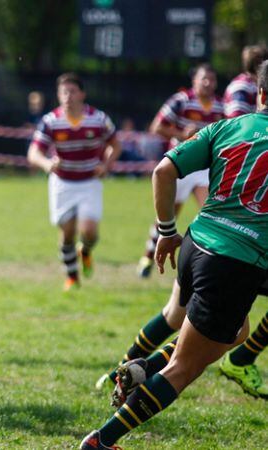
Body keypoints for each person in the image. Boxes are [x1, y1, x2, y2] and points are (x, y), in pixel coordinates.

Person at [80, 60, 268, 450]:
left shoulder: (227, 126)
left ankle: (144, 364)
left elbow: (163, 171)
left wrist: (166, 232)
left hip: (195, 245)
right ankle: (102, 440)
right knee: (183, 369)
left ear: (261, 95)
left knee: (237, 331)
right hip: (234, 263)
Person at [27, 72, 120, 292]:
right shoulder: (51, 121)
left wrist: (106, 165)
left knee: (89, 232)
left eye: (72, 91)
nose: (68, 96)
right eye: (63, 92)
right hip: (63, 183)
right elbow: (34, 152)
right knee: (67, 232)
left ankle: (85, 251)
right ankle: (72, 277)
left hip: (89, 181)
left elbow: (115, 145)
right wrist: (47, 164)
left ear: (82, 94)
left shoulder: (98, 119)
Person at [136, 63, 224, 278]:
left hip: (205, 167)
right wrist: (182, 134)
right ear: (194, 81)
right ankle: (148, 255)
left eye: (212, 79)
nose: (208, 83)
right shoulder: (181, 100)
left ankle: (208, 263)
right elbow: (157, 126)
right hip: (180, 165)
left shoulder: (222, 106)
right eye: (204, 78)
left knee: (210, 211)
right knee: (168, 216)